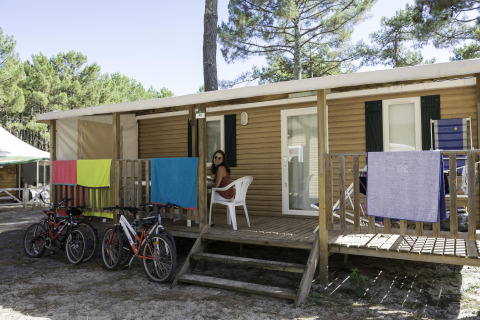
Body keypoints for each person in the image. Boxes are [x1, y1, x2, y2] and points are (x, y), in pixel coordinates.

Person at [208, 150, 234, 225]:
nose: (217, 159)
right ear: (213, 158)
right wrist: (210, 180)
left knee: (204, 198)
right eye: (216, 157)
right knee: (207, 197)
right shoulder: (220, 168)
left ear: (222, 160)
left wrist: (207, 186)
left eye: (219, 158)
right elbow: (216, 181)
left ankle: (210, 220)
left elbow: (216, 185)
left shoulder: (221, 168)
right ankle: (209, 219)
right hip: (229, 194)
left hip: (225, 195)